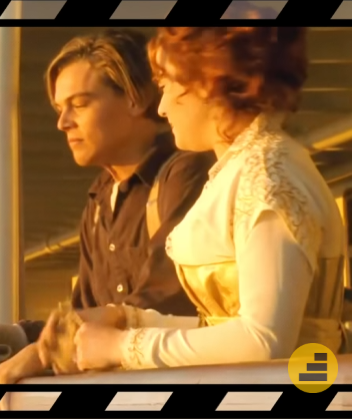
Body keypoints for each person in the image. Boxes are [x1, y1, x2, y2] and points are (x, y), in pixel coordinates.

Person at [0, 29, 216, 384]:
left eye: (80, 103)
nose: (62, 122)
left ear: (136, 98)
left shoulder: (187, 174)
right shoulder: (100, 198)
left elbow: (164, 302)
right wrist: (8, 336)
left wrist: (42, 353)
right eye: (60, 108)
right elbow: (84, 315)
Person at [70, 27, 347, 372]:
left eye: (166, 87)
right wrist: (130, 320)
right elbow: (224, 327)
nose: (162, 108)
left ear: (208, 84)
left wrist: (123, 347)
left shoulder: (266, 177)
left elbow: (264, 340)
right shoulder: (246, 168)